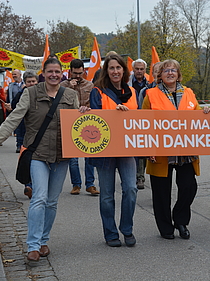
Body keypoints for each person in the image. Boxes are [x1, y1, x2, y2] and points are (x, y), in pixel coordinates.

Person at [0, 58, 90, 263]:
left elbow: (78, 124)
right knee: (39, 197)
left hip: (61, 155)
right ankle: (33, 245)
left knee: (52, 202)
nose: (54, 75)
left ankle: (43, 241)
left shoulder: (71, 95)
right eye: (50, 71)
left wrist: (83, 112)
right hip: (37, 153)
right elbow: (13, 120)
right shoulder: (30, 94)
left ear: (62, 73)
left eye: (57, 71)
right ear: (43, 72)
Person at [142, 59, 210, 240]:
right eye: (166, 70)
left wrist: (204, 112)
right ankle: (165, 227)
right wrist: (148, 147)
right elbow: (143, 123)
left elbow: (197, 116)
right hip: (160, 151)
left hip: (185, 151)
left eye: (173, 70)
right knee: (161, 192)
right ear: (160, 75)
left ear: (178, 74)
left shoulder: (189, 93)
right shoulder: (151, 94)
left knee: (189, 187)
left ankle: (180, 220)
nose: (170, 73)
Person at [89, 54, 138, 247]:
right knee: (107, 194)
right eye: (111, 68)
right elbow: (94, 119)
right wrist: (113, 114)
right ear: (106, 71)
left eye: (118, 68)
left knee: (131, 189)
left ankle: (127, 229)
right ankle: (110, 233)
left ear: (124, 70)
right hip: (106, 150)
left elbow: (141, 120)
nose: (115, 71)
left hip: (127, 148)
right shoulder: (98, 91)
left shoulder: (133, 91)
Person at [60, 59, 99, 195]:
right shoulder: (63, 85)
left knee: (89, 157)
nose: (77, 76)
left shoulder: (90, 85)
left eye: (80, 73)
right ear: (70, 71)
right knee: (73, 158)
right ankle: (76, 184)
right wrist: (70, 87)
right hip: (71, 123)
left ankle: (90, 184)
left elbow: (94, 103)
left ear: (84, 71)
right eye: (75, 73)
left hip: (87, 122)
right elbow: (61, 102)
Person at [10, 70, 39, 200]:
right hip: (23, 131)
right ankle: (29, 185)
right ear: (25, 83)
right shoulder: (21, 94)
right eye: (29, 82)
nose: (31, 83)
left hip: (38, 133)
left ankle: (35, 185)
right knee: (27, 160)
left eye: (33, 81)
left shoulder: (42, 94)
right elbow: (13, 107)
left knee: (37, 161)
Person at [128, 58, 149, 189]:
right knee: (133, 149)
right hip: (131, 119)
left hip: (145, 120)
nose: (139, 71)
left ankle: (140, 175)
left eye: (142, 69)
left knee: (143, 150)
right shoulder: (127, 83)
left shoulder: (150, 84)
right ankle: (135, 175)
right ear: (133, 70)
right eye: (137, 69)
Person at [6, 69, 24, 152]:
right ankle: (19, 145)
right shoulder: (11, 86)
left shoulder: (25, 84)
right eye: (13, 74)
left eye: (15, 74)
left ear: (20, 74)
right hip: (16, 109)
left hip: (26, 107)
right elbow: (9, 97)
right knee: (18, 128)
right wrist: (8, 104)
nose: (14, 76)